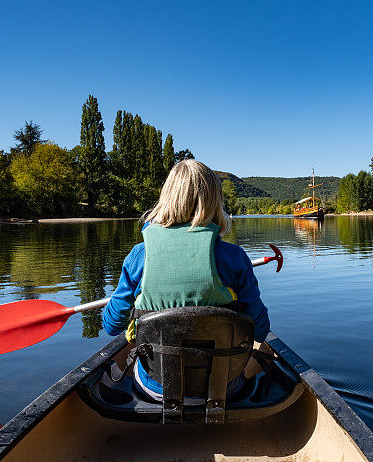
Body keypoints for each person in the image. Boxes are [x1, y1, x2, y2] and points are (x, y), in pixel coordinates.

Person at [102, 159, 270, 400]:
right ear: (214, 202)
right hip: (224, 387)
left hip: (155, 387)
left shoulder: (139, 256)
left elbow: (111, 326)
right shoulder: (234, 258)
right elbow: (261, 331)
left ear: (167, 197)